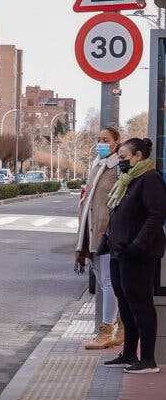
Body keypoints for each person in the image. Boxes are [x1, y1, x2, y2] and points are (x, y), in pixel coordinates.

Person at [101, 137, 166, 374]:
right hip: (120, 252)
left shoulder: (150, 179)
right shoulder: (129, 179)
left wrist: (137, 246)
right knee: (126, 305)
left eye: (124, 158)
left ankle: (148, 360)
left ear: (138, 156)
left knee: (141, 305)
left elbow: (155, 216)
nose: (121, 163)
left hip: (138, 254)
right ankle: (129, 353)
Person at [75, 126, 124, 349]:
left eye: (105, 139)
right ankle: (120, 327)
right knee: (103, 281)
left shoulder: (118, 168)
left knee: (109, 281)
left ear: (116, 142)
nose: (101, 143)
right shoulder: (97, 163)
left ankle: (107, 330)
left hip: (106, 230)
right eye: (98, 139)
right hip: (91, 230)